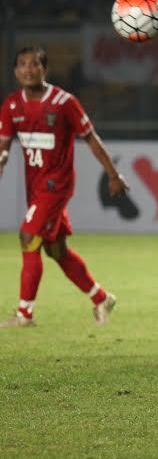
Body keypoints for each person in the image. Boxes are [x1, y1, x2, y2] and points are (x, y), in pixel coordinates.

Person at [0, 47, 126, 327]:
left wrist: (113, 174)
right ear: (15, 71)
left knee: (27, 236)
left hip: (57, 184)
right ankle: (102, 298)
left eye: (34, 64)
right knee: (56, 250)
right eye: (22, 64)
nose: (28, 69)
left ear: (45, 70)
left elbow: (91, 138)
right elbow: (4, 144)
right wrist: (3, 158)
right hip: (36, 186)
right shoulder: (11, 105)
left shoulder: (64, 102)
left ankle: (24, 314)